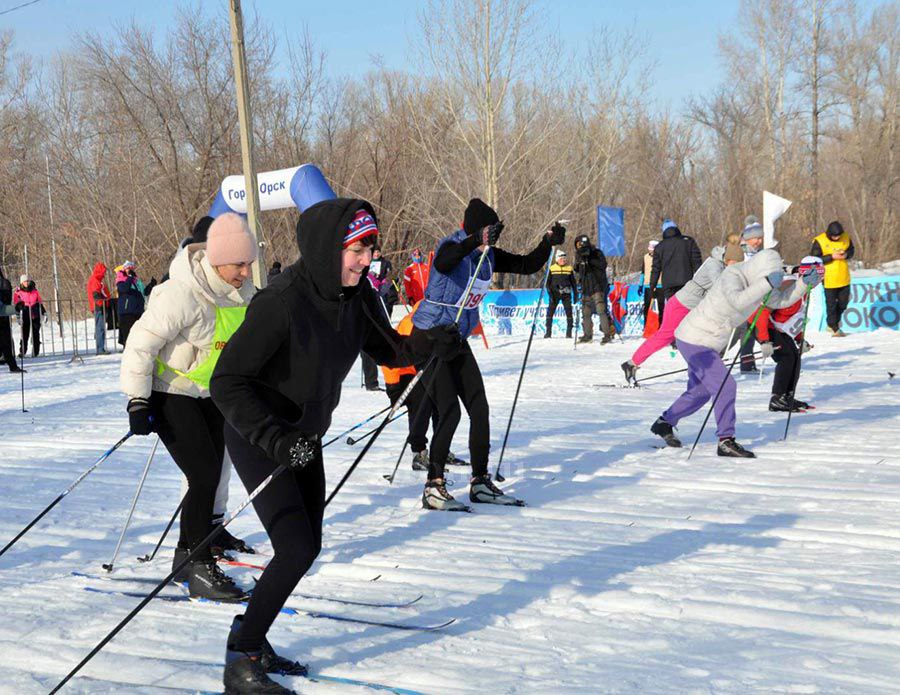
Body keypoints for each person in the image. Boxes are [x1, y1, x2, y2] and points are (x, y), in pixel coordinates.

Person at [209, 199, 455, 693]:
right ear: (328, 248)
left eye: (370, 249)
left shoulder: (358, 295)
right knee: (295, 546)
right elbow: (226, 382)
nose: (366, 260)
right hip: (263, 434)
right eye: (357, 249)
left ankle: (250, 630)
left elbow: (388, 346)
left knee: (306, 547)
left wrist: (429, 344)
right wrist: (276, 440)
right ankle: (241, 661)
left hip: (305, 435)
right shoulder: (280, 302)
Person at [121, 213, 257, 602]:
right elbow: (140, 344)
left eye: (249, 264)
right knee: (201, 473)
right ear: (216, 261)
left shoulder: (243, 293)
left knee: (212, 475)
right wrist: (138, 399)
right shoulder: (180, 293)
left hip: (210, 393)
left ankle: (189, 556)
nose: (245, 272)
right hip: (171, 391)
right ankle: (196, 565)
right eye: (238, 264)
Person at [411, 198, 565, 511]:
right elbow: (443, 264)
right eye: (488, 232)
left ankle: (480, 481)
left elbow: (527, 264)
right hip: (430, 337)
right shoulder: (452, 246)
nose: (492, 240)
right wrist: (473, 241)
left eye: (494, 234)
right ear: (475, 229)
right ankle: (433, 485)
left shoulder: (488, 256)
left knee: (479, 408)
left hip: (456, 340)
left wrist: (548, 243)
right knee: (449, 411)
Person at [649, 249, 807, 457]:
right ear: (758, 271)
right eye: (765, 278)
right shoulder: (732, 275)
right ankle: (726, 440)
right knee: (725, 385)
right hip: (694, 338)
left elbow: (780, 301)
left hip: (707, 341)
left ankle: (664, 422)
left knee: (702, 391)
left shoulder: (758, 283)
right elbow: (737, 301)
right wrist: (767, 282)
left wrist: (804, 283)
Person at [622, 243, 744, 384]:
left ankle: (703, 369)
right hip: (681, 305)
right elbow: (721, 288)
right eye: (736, 262)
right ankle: (631, 364)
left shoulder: (724, 267)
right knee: (665, 336)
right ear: (728, 259)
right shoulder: (714, 265)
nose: (737, 266)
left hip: (693, 308)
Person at [753, 257, 824, 412]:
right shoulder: (789, 285)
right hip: (762, 325)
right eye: (818, 277)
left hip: (779, 328)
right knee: (786, 357)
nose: (820, 281)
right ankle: (777, 399)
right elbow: (762, 312)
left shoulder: (805, 290)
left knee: (795, 356)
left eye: (821, 277)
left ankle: (787, 396)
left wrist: (800, 339)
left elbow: (796, 318)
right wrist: (764, 340)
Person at [647, 219, 702, 326]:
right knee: (687, 310)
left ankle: (675, 336)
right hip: (687, 282)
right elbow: (697, 262)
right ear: (676, 229)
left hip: (669, 285)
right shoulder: (688, 241)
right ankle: (687, 334)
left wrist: (652, 285)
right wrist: (702, 281)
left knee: (674, 311)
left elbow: (656, 269)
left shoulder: (659, 247)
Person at [731, 217, 767, 372]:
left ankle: (747, 364)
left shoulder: (761, 252)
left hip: (754, 296)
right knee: (734, 331)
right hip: (738, 295)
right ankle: (711, 357)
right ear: (747, 238)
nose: (758, 241)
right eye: (755, 238)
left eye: (760, 238)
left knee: (749, 330)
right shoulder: (739, 251)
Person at [811, 220, 854, 337]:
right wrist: (832, 257)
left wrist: (846, 255)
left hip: (844, 276)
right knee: (831, 305)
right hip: (828, 278)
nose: (837, 238)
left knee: (843, 304)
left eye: (839, 235)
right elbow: (815, 259)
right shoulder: (819, 241)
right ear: (829, 234)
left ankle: (831, 324)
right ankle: (834, 328)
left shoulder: (846, 237)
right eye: (834, 236)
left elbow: (851, 250)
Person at [574, 234, 615, 344]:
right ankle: (587, 335)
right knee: (586, 312)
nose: (580, 247)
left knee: (601, 311)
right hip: (585, 287)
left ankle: (607, 334)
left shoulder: (597, 252)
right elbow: (576, 269)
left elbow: (603, 265)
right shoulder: (579, 254)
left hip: (597, 286)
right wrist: (579, 262)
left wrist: (590, 259)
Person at [545, 249, 577, 338]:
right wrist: (550, 294)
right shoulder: (552, 268)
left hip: (566, 294)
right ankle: (548, 333)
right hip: (554, 294)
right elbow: (547, 283)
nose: (564, 260)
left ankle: (569, 333)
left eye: (565, 258)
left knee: (569, 313)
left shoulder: (569, 268)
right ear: (557, 259)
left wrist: (576, 294)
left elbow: (573, 283)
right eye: (562, 258)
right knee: (550, 313)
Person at [13, 274, 45, 358]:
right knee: (24, 334)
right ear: (21, 282)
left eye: (28, 281)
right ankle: (22, 352)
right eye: (24, 281)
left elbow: (39, 302)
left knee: (36, 333)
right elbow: (16, 305)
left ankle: (36, 352)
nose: (26, 283)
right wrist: (18, 317)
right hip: (25, 313)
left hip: (35, 314)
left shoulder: (35, 290)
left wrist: (44, 312)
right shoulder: (18, 292)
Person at [116, 260, 147, 346]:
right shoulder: (120, 280)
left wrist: (150, 286)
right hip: (127, 313)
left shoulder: (136, 280)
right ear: (124, 269)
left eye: (131, 268)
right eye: (127, 268)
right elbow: (124, 289)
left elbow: (143, 292)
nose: (130, 270)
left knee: (139, 337)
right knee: (129, 338)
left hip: (138, 312)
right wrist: (130, 277)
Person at [0, 267, 24, 372]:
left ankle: (12, 365)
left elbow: (2, 308)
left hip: (3, 319)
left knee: (6, 343)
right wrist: (15, 308)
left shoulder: (4, 283)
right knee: (5, 343)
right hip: (3, 317)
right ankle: (12, 365)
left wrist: (16, 308)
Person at [87, 262, 112, 355]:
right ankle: (100, 349)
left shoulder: (97, 279)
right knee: (100, 328)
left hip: (100, 306)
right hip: (98, 307)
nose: (105, 273)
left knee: (100, 327)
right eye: (104, 271)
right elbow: (96, 295)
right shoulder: (95, 280)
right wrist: (102, 304)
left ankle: (101, 348)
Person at [640, 240, 663, 324]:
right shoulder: (645, 257)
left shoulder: (662, 257)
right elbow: (643, 271)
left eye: (653, 250)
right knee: (647, 306)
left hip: (660, 285)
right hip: (648, 285)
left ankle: (661, 325)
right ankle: (646, 326)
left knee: (661, 307)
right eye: (650, 249)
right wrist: (640, 284)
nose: (651, 251)